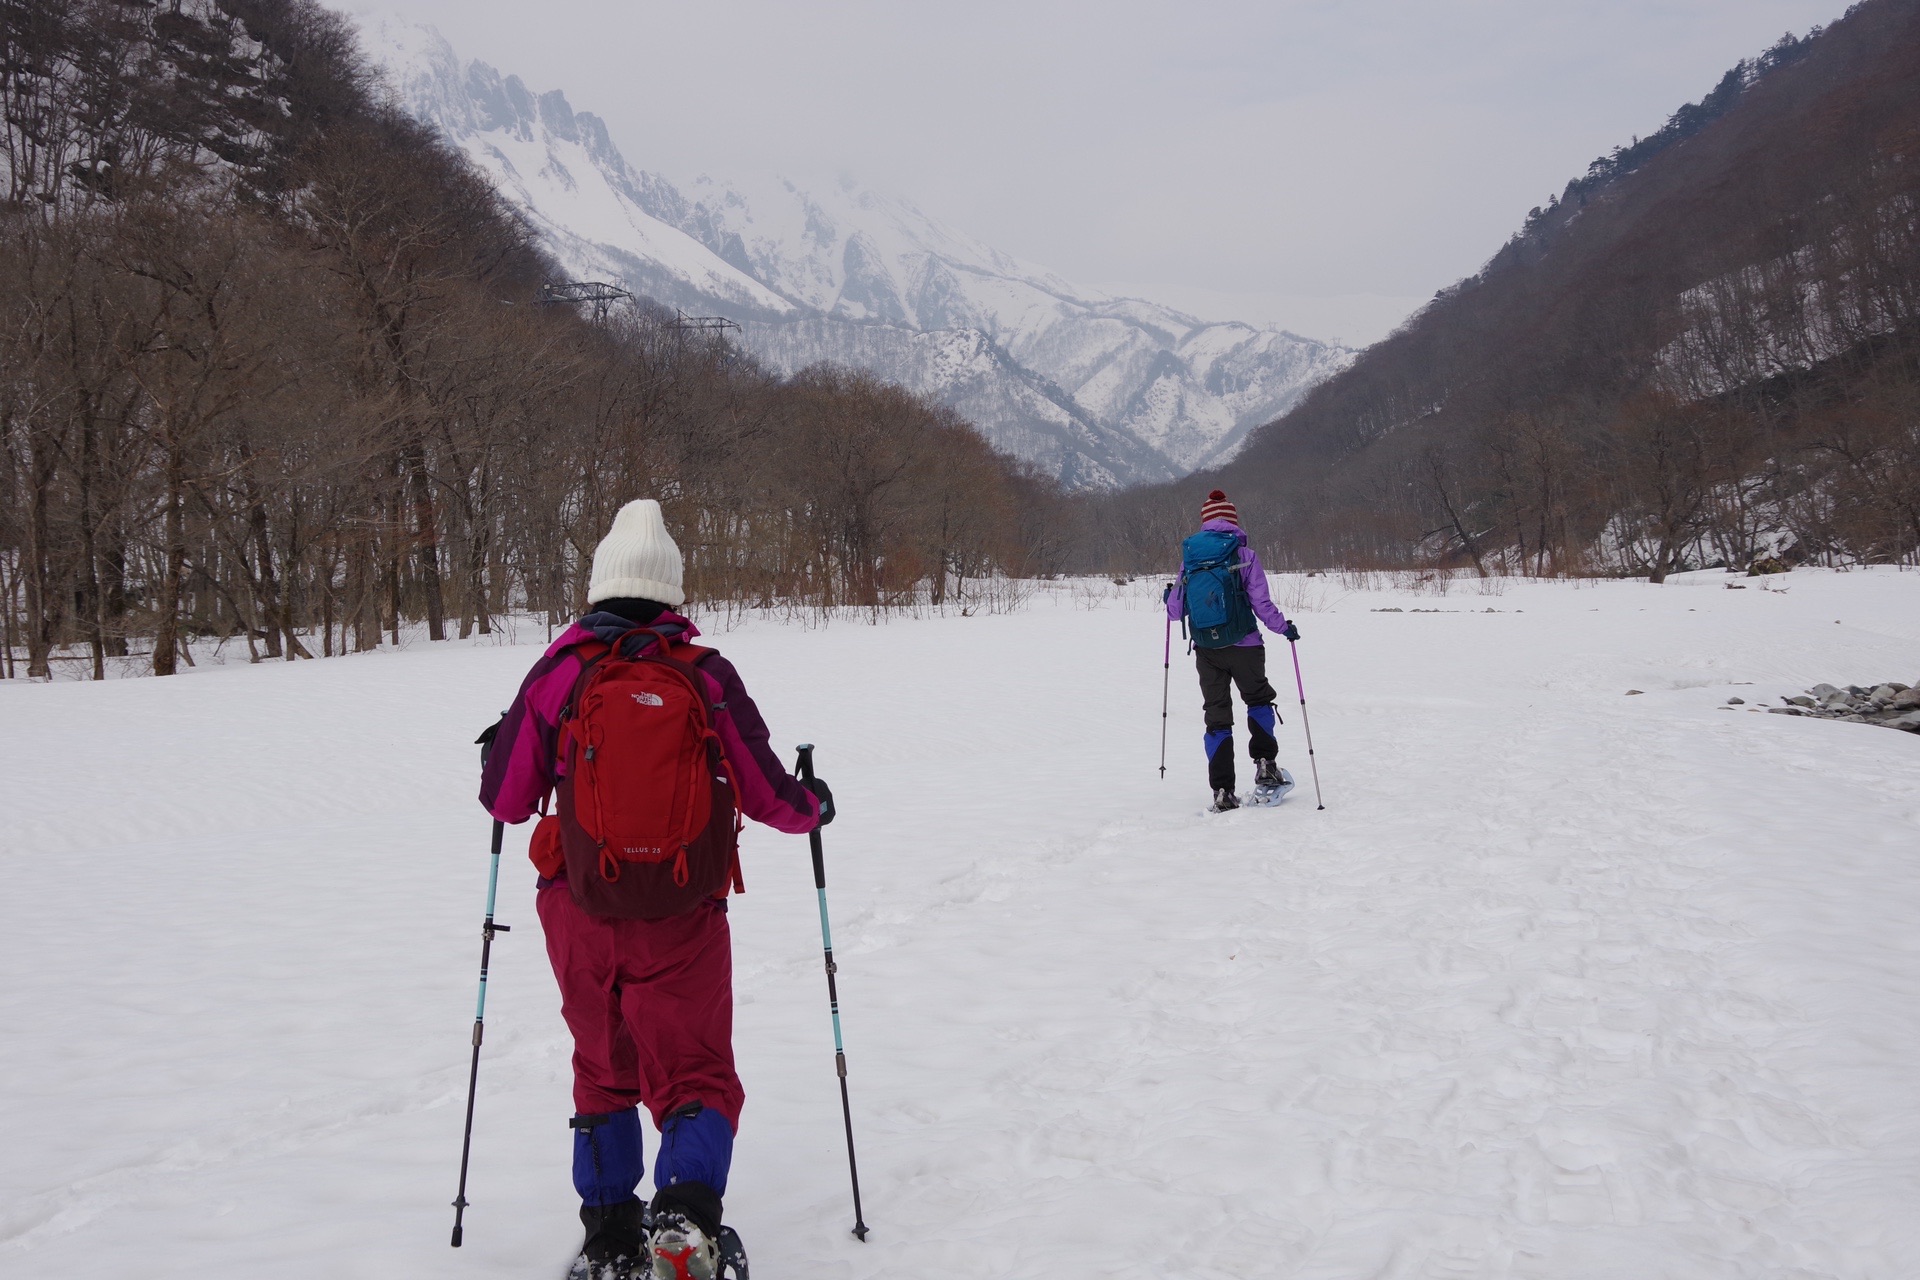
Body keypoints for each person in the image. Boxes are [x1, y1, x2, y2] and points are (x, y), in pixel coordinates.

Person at [479, 498, 828, 1280]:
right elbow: (773, 797)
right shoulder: (705, 675)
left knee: (603, 1066)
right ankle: (685, 1216)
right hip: (681, 914)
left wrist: (497, 751)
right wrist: (817, 805)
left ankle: (608, 1233)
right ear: (673, 593)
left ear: (598, 587)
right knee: (696, 1070)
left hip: (578, 907)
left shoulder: (560, 671)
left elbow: (505, 800)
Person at [1165, 489, 1300, 811]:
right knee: (1257, 699)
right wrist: (1284, 628)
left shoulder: (1191, 558)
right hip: (1246, 645)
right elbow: (1261, 602)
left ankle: (1223, 791)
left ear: (1206, 523)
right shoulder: (1245, 555)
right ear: (1234, 522)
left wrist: (1169, 595)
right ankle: (1266, 766)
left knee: (1217, 715)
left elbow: (1174, 612)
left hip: (1207, 649)